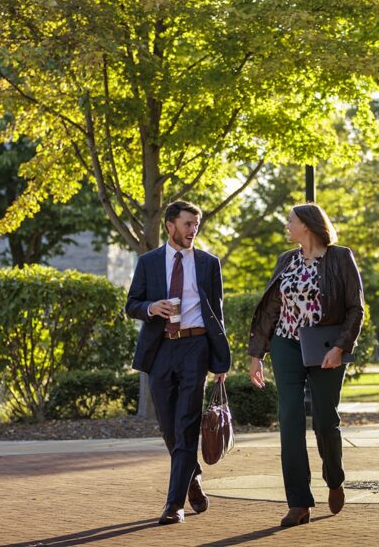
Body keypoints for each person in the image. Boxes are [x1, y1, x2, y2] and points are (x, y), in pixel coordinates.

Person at [248, 203, 364, 527]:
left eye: (291, 221)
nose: (287, 226)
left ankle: (335, 477)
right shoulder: (286, 261)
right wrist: (256, 354)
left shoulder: (340, 257)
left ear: (308, 225)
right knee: (289, 420)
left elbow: (356, 308)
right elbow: (271, 309)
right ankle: (298, 503)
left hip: (325, 348)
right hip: (286, 344)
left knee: (325, 422)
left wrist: (341, 347)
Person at [126, 201, 230, 525]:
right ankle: (193, 476)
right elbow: (131, 304)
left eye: (196, 224)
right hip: (160, 349)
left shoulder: (209, 263)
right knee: (168, 426)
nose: (193, 230)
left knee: (186, 423)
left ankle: (174, 505)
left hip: (196, 347)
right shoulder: (149, 262)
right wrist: (151, 308)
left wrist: (221, 359)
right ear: (170, 225)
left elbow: (217, 312)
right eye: (187, 224)